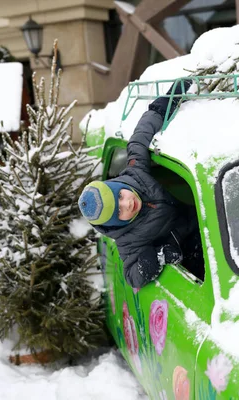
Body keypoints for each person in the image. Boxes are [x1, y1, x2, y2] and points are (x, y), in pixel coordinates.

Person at [78, 80, 198, 289]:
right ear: (116, 224)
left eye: (120, 196)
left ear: (117, 185)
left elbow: (139, 138)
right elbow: (133, 276)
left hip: (197, 216)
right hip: (188, 245)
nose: (127, 203)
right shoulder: (128, 240)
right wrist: (158, 256)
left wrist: (168, 100)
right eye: (119, 212)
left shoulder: (136, 172)